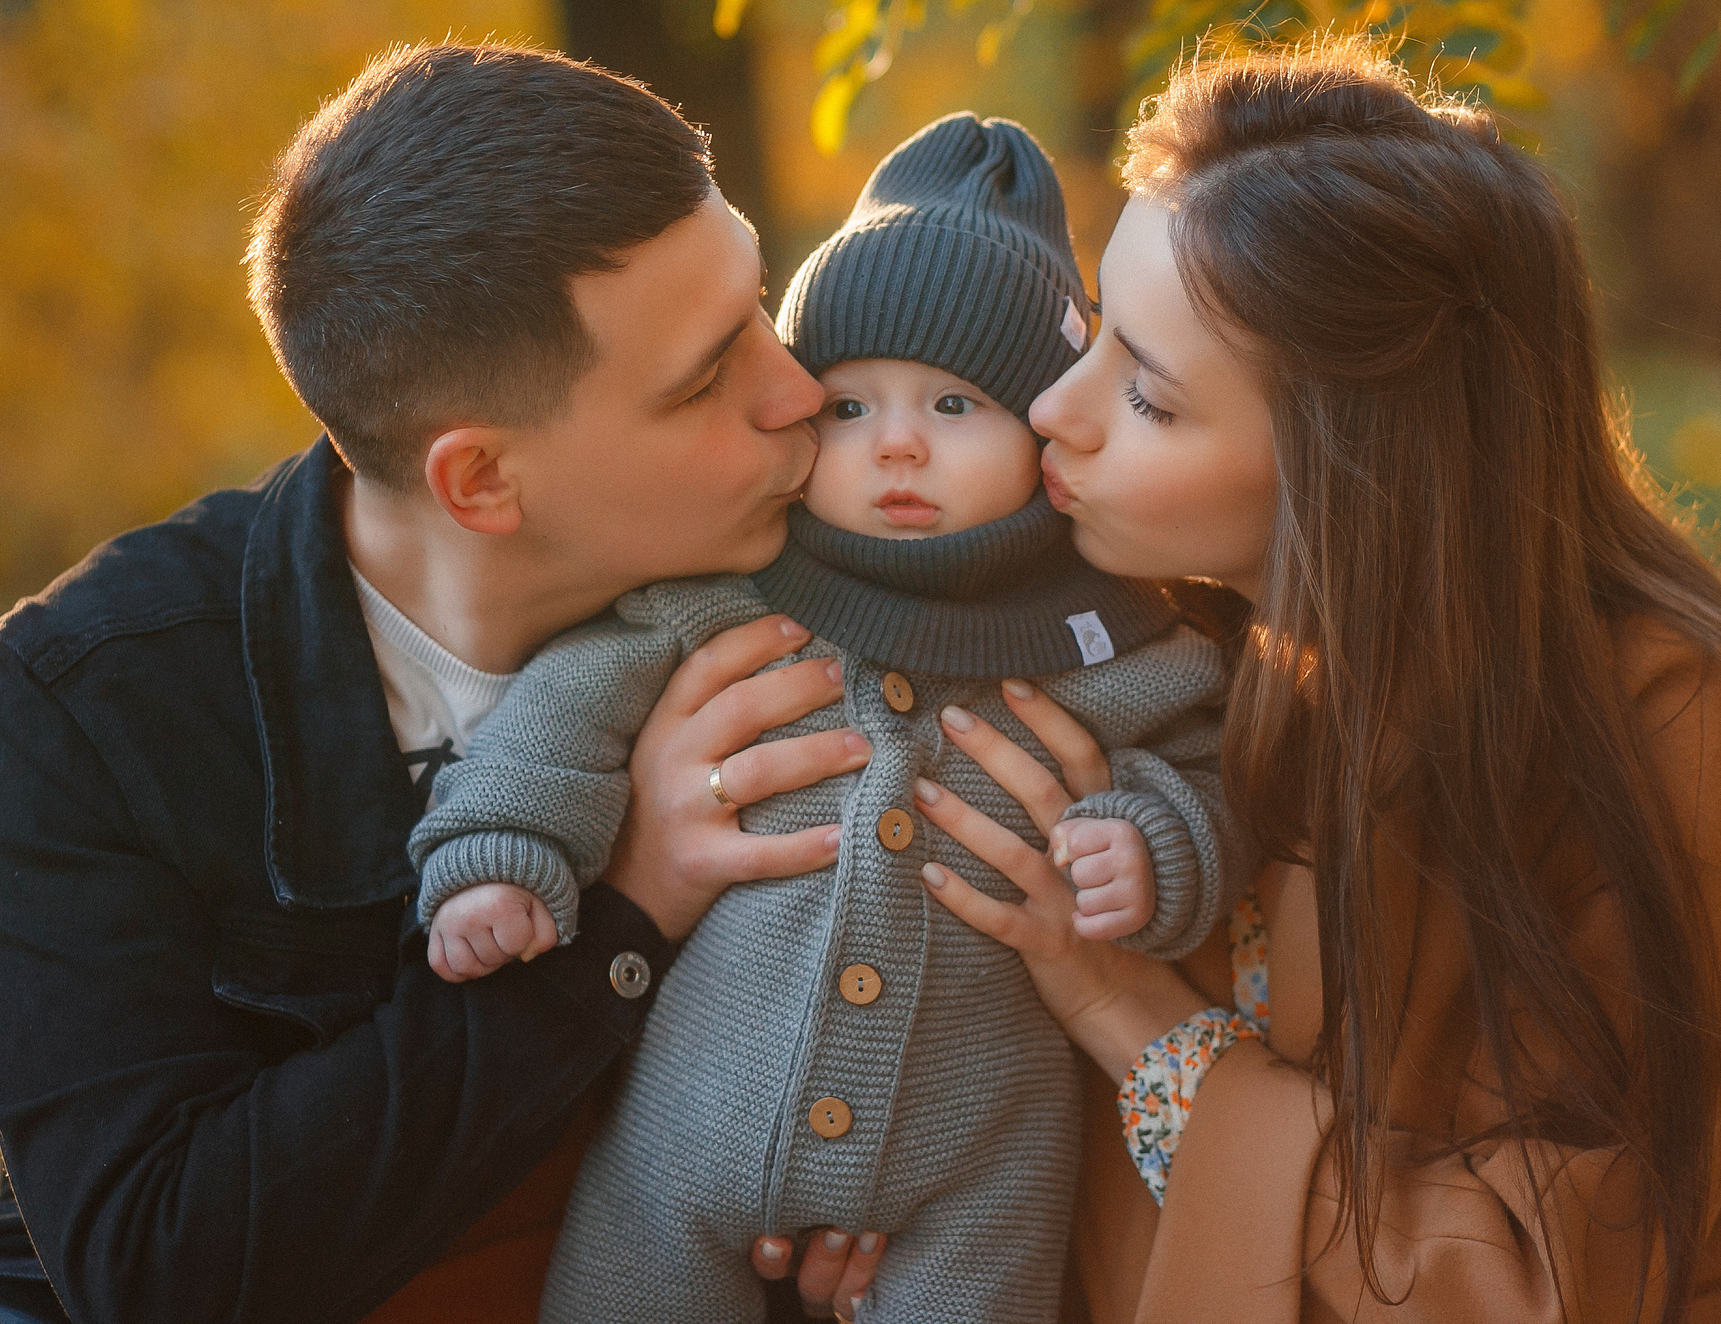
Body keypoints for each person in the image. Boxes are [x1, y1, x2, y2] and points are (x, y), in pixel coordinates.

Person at [0, 42, 884, 1324]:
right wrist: (622, 913)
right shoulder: (108, 690)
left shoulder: (885, 555)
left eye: (761, 305)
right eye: (706, 375)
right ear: (481, 482)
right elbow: (152, 1266)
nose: (802, 394)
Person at [903, 40, 1721, 1323]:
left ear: (1361, 467)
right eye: (1097, 332)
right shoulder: (1165, 645)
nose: (1057, 410)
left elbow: (1536, 1287)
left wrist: (1134, 1020)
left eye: (1151, 397)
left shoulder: (1667, 721)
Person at [406, 112, 1231, 1324]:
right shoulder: (728, 598)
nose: (897, 444)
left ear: (1042, 434)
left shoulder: (1105, 637)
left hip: (976, 1171)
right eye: (848, 408)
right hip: (681, 1141)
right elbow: (565, 710)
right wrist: (503, 855)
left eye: (955, 410)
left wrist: (1151, 845)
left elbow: (1204, 766)